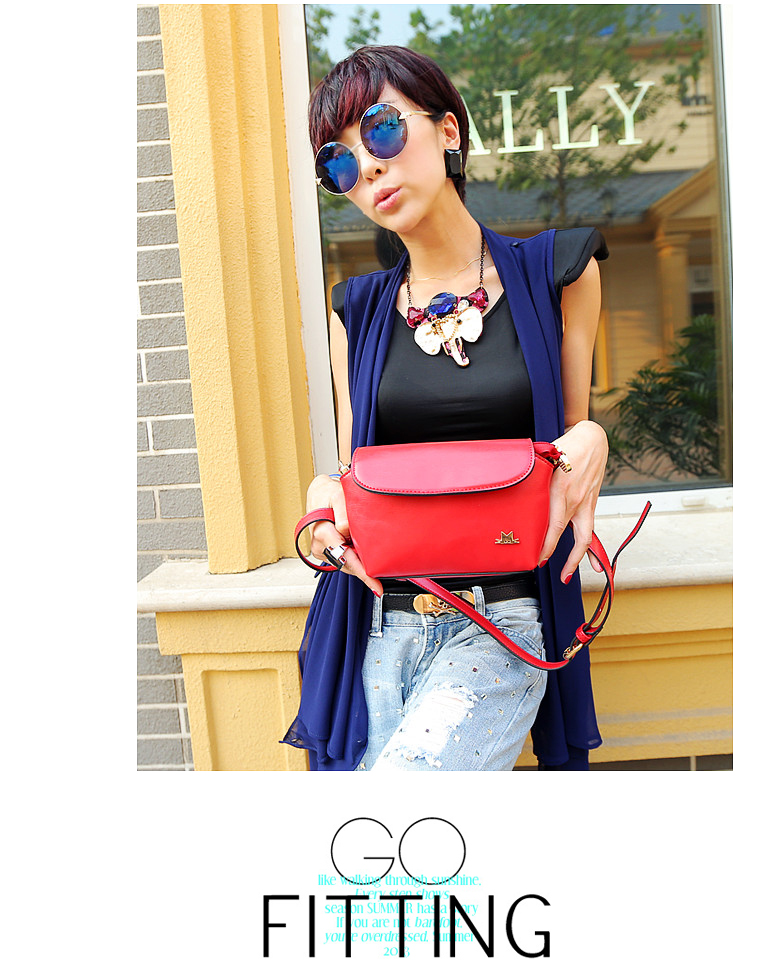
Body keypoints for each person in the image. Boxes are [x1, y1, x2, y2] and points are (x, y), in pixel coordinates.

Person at [283, 45, 609, 772]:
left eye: (382, 131)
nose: (368, 168)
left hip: (501, 623)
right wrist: (321, 497)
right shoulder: (357, 311)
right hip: (382, 623)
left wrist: (593, 436)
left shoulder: (558, 271)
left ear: (449, 130)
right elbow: (355, 475)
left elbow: (562, 442)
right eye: (339, 163)